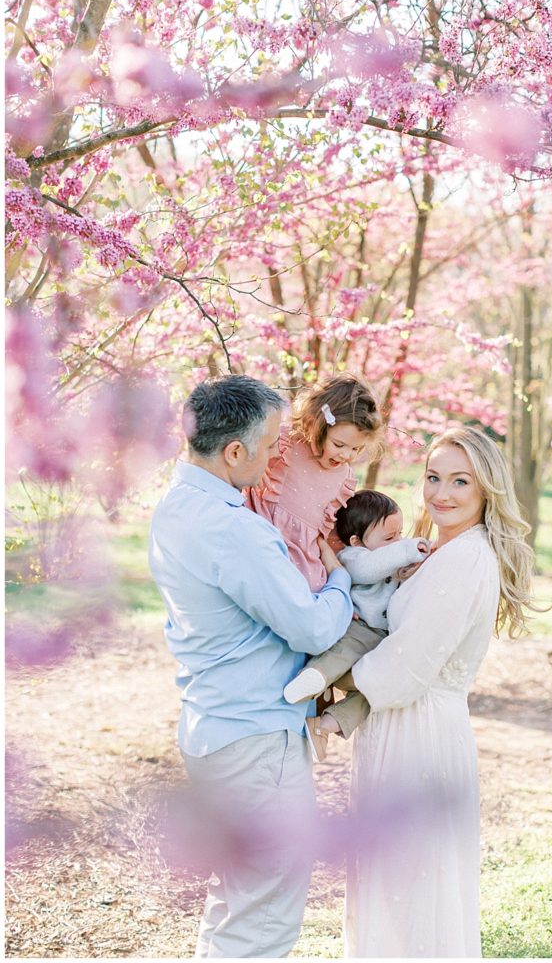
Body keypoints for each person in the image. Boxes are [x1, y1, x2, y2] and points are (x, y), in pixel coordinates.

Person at [148, 375, 354, 959]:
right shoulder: (234, 529)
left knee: (239, 896)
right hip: (255, 738)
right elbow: (313, 626)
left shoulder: (175, 507)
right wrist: (338, 574)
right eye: (267, 446)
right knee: (265, 909)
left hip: (214, 728)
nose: (274, 458)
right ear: (234, 452)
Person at [344, 426, 540, 959]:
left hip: (421, 732)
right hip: (399, 723)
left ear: (486, 490)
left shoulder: (468, 559)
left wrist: (331, 676)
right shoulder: (440, 550)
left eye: (460, 481)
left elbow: (408, 666)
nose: (441, 494)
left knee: (414, 892)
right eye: (433, 477)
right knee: (392, 886)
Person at [283, 489, 430, 757]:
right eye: (389, 537)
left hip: (381, 642)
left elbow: (396, 573)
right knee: (344, 651)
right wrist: (407, 549)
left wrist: (410, 569)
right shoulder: (354, 557)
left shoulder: (388, 556)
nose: (398, 541)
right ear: (356, 541)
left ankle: (326, 725)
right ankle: (314, 678)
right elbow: (371, 568)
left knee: (373, 692)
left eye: (400, 534)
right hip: (359, 631)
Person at [246, 373, 382, 593]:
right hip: (262, 537)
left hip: (302, 560)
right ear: (314, 425)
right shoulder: (284, 443)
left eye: (356, 449)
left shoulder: (344, 479)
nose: (347, 454)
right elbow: (245, 456)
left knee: (308, 593)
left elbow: (329, 534)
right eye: (339, 444)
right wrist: (254, 467)